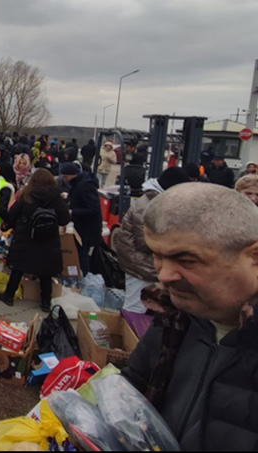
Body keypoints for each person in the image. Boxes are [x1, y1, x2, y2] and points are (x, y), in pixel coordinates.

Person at [120, 183, 258, 450]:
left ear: (254, 256)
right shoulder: (176, 316)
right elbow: (133, 387)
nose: (163, 275)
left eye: (186, 260)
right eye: (157, 255)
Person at [113, 167, 190, 313]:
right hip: (139, 265)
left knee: (145, 308)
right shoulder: (148, 206)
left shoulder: (157, 201)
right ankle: (129, 327)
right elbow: (145, 242)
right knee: (135, 308)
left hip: (144, 263)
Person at [0, 169, 71, 312]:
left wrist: (10, 225)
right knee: (46, 273)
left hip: (25, 238)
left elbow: (13, 214)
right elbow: (64, 220)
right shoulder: (57, 199)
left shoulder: (27, 195)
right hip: (48, 240)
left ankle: (8, 296)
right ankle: (45, 303)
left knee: (18, 269)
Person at [60, 162, 101, 276]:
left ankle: (84, 276)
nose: (65, 180)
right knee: (81, 253)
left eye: (66, 177)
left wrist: (73, 212)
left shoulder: (84, 186)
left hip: (87, 229)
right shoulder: (79, 184)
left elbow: (93, 209)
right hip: (83, 226)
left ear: (73, 175)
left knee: (82, 255)